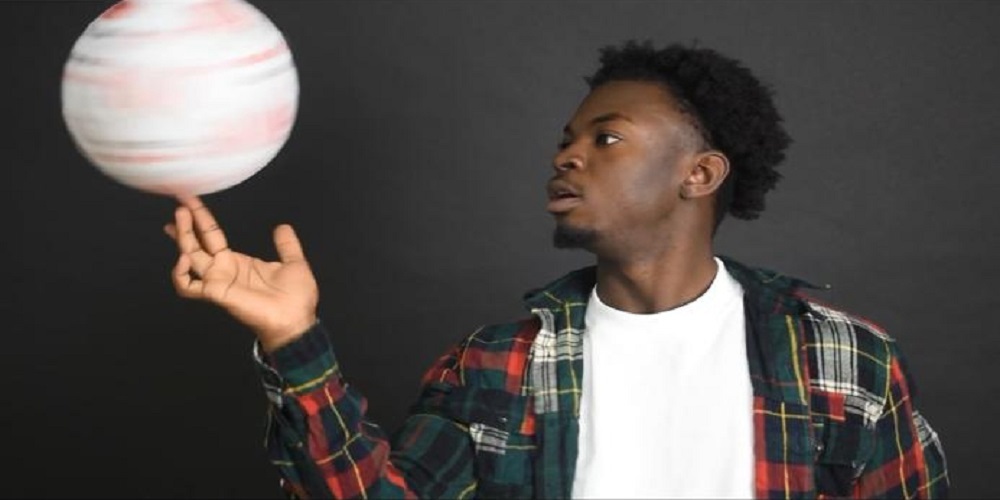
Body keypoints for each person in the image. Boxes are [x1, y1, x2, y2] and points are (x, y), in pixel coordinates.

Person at [164, 40, 949, 499]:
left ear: (700, 174)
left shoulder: (843, 362)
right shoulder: (496, 366)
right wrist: (293, 338)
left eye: (607, 138)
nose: (566, 156)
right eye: (567, 139)